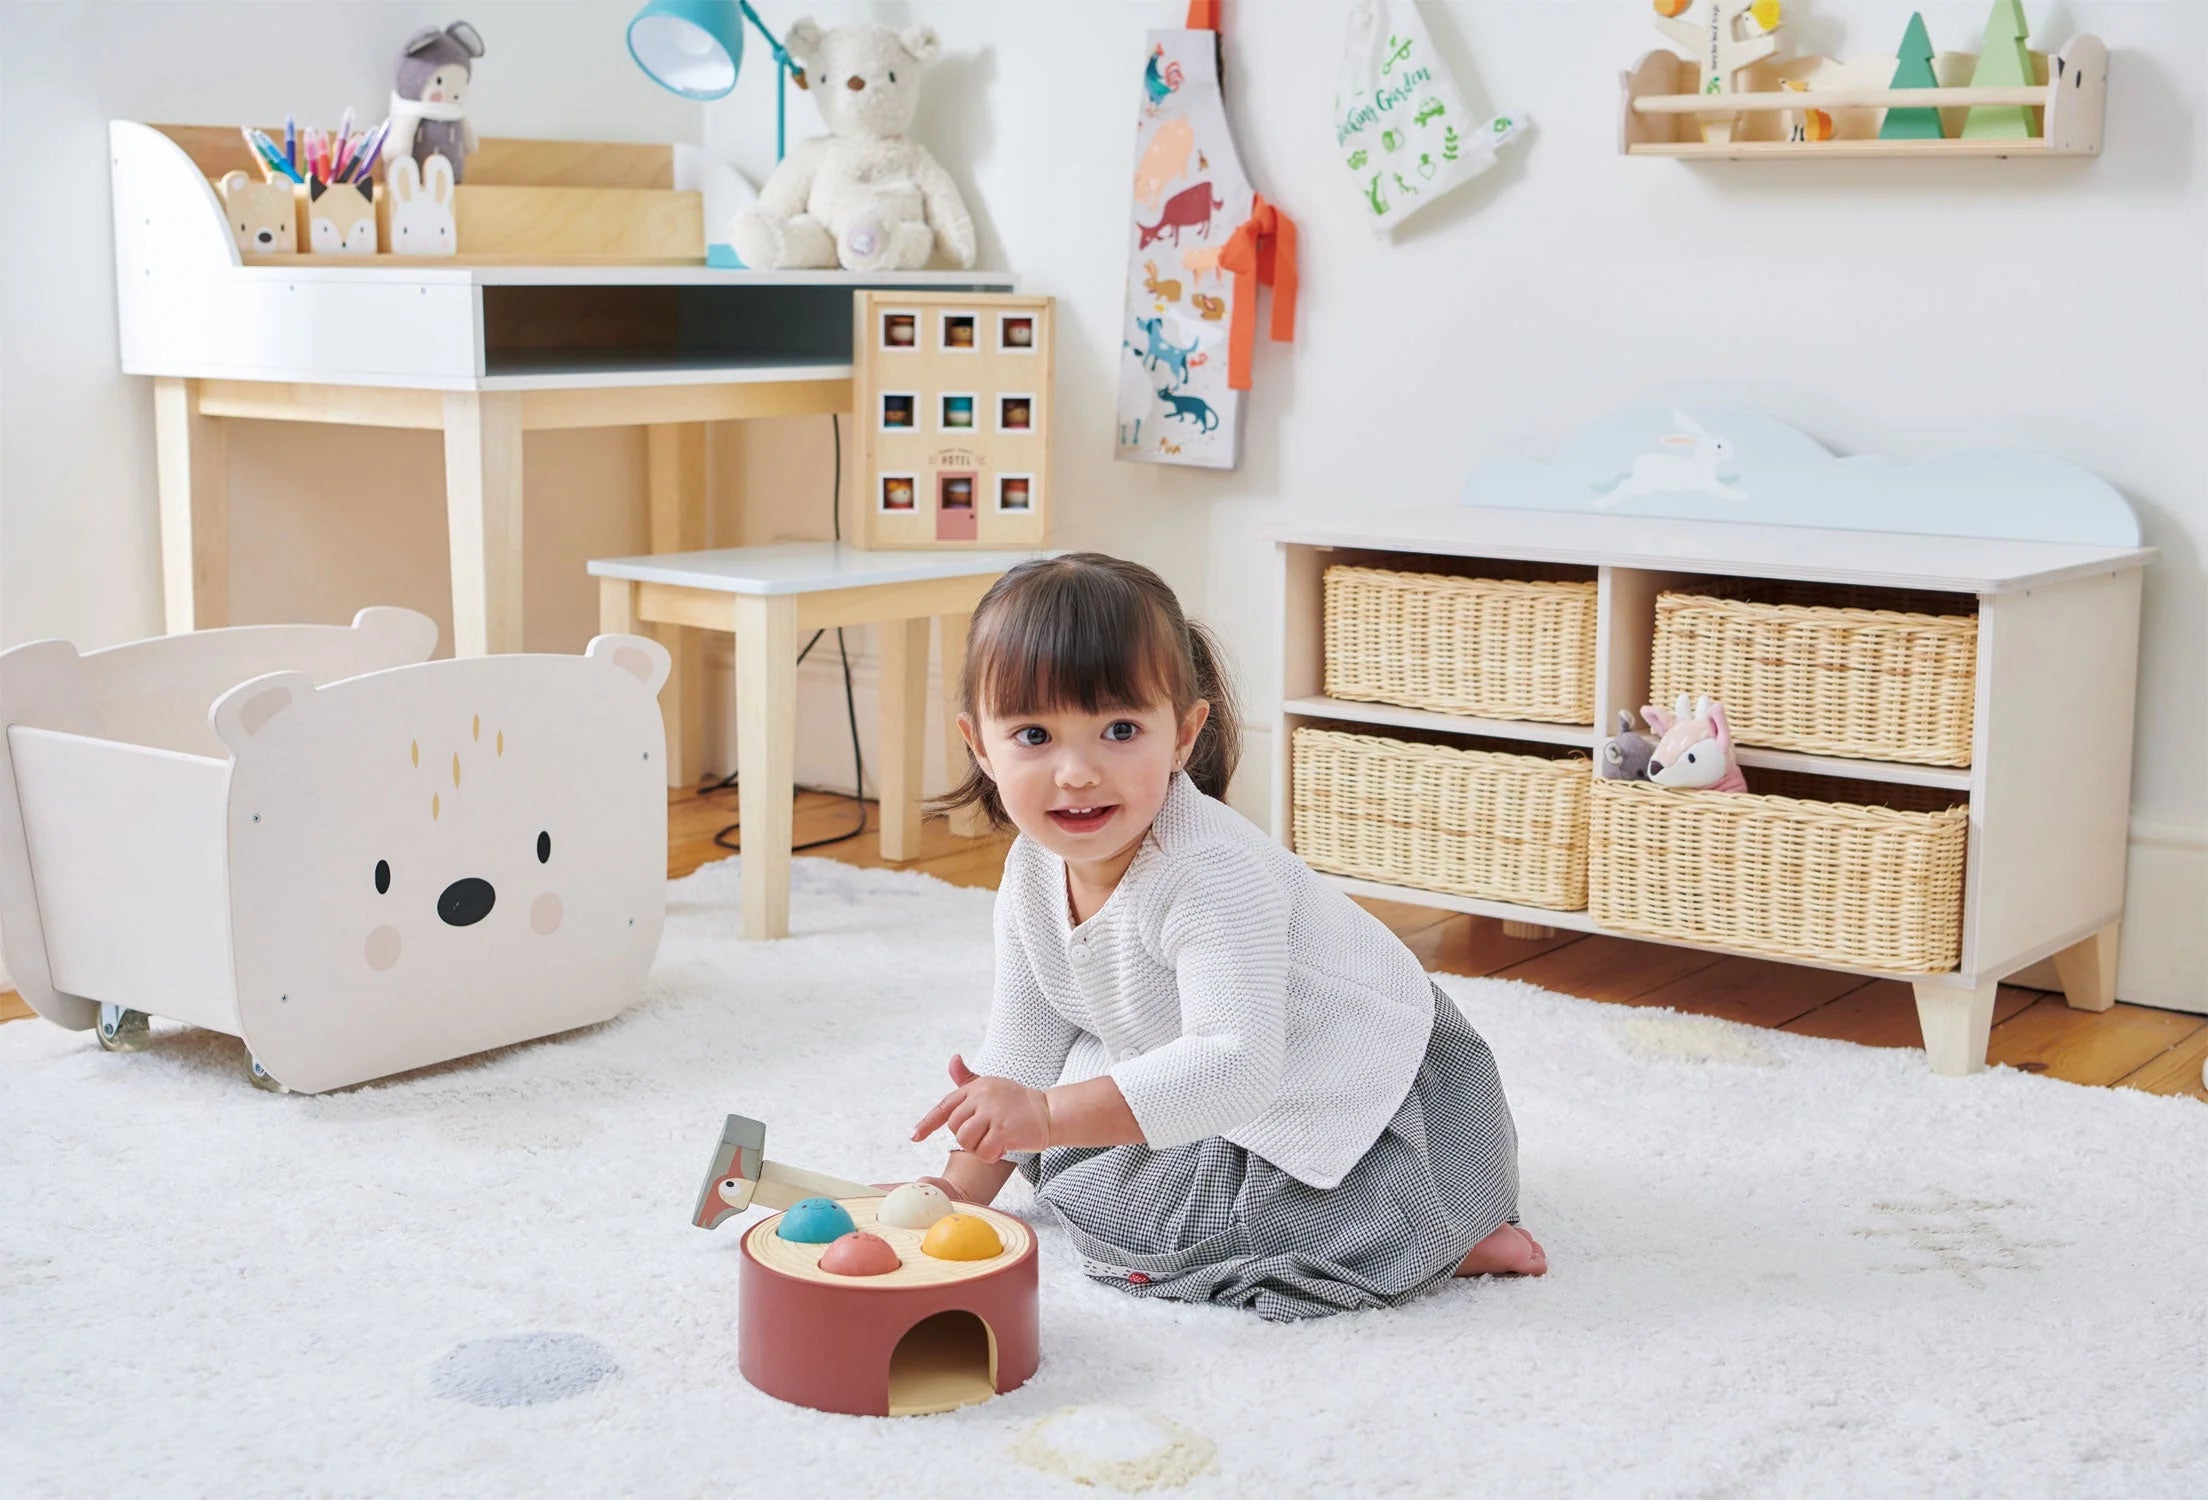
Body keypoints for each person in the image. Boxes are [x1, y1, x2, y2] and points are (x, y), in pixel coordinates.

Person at [910, 553, 1544, 1321]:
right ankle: (1411, 1235)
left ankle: (1437, 1233)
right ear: (980, 745)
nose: (1076, 774)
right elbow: (1027, 1034)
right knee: (1064, 1137)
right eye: (1035, 736)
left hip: (1364, 1098)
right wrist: (955, 1193)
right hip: (1216, 1074)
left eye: (1119, 731)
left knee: (1166, 1210)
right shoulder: (1031, 868)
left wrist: (1046, 1115)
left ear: (1183, 735)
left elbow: (1236, 1068)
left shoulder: (1209, 872)